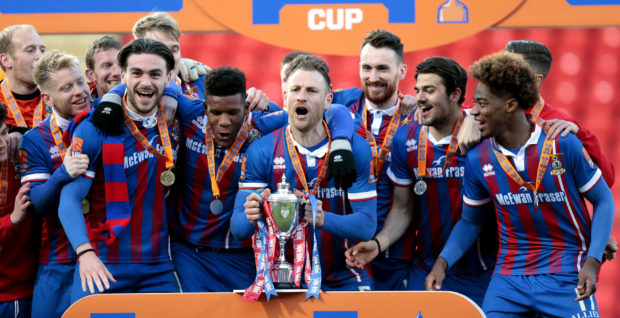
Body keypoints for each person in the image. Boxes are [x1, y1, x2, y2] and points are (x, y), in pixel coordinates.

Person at [426, 51, 614, 317]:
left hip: (566, 272)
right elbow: (471, 221)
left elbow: (603, 199)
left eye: (481, 103)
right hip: (509, 277)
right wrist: (442, 263)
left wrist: (592, 263)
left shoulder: (562, 142)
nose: (473, 112)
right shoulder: (478, 158)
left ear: (510, 105)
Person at [170, 65, 355, 292]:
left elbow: (334, 111)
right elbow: (141, 86)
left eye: (233, 112)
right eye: (216, 113)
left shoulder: (266, 123)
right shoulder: (190, 114)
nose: (225, 121)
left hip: (242, 257)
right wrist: (113, 97)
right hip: (188, 255)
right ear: (205, 107)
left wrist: (341, 142)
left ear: (246, 108)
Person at [58, 38, 204, 302]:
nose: (145, 82)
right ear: (123, 75)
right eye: (136, 73)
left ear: (169, 77)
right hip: (103, 264)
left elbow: (233, 110)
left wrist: (259, 98)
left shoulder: (180, 118)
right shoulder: (95, 126)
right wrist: (85, 254)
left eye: (155, 74)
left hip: (160, 268)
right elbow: (68, 199)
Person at [346, 57, 496, 305]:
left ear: (455, 94)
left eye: (430, 90)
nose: (420, 98)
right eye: (418, 90)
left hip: (481, 272)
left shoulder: (484, 132)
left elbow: (527, 124)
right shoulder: (405, 139)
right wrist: (377, 244)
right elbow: (403, 209)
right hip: (426, 269)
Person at [232, 54, 378, 291]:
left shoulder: (353, 148)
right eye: (296, 89)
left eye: (312, 90)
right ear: (285, 95)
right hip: (284, 279)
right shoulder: (262, 149)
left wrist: (323, 219)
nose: (302, 96)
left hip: (345, 276)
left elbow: (367, 225)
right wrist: (251, 214)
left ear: (329, 99)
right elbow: (238, 229)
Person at [331, 29, 415, 290]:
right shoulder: (341, 104)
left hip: (397, 255)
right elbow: (297, 99)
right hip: (344, 254)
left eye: (383, 68)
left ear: (401, 71)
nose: (373, 77)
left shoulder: (418, 117)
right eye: (366, 68)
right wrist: (259, 98)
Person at [21, 50, 92, 318]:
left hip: (106, 255)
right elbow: (36, 204)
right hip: (58, 260)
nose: (79, 92)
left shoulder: (107, 122)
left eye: (80, 82)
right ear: (47, 99)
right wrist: (63, 172)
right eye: (66, 87)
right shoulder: (35, 139)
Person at [0, 103, 35, 318]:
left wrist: (24, 135)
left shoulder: (16, 157)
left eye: (3, 133)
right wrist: (12, 219)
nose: (2, 144)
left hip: (16, 291)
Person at [0, 24, 47, 160]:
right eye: (30, 50)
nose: (40, 56)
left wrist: (23, 135)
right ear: (6, 60)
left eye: (42, 50)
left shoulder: (56, 99)